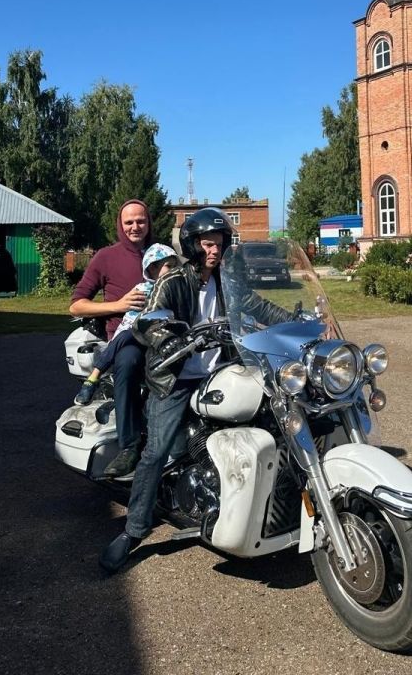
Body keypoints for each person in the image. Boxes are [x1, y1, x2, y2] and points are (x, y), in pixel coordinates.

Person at [99, 207, 291, 573]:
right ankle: (132, 531)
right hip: (175, 377)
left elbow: (257, 305)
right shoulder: (174, 281)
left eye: (219, 244)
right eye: (207, 244)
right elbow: (148, 322)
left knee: (273, 413)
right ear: (193, 245)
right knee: (154, 454)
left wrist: (297, 322)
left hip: (220, 371)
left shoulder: (227, 282)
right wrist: (171, 337)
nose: (214, 251)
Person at [69, 200, 155, 477]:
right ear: (120, 224)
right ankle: (129, 446)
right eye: (129, 222)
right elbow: (77, 305)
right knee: (128, 364)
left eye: (140, 221)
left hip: (161, 332)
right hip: (125, 336)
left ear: (148, 222)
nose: (135, 227)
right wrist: (118, 305)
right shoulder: (106, 256)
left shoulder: (160, 254)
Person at [74, 243, 180, 406]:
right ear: (152, 269)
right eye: (168, 266)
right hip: (135, 331)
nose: (173, 270)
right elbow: (135, 317)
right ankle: (93, 377)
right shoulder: (143, 290)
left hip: (159, 336)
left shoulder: (176, 288)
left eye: (175, 266)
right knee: (125, 338)